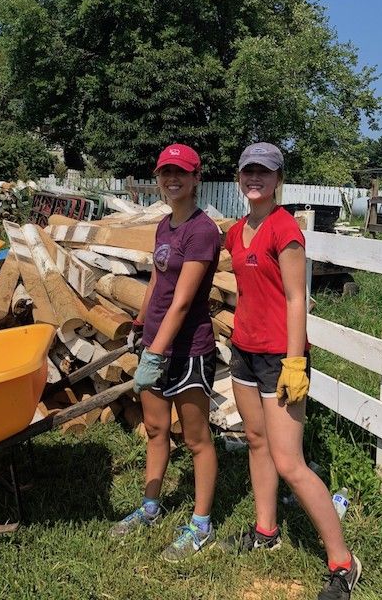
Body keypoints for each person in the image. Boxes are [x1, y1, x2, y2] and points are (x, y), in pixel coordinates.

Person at [221, 142, 361, 600]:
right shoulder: (236, 231)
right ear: (239, 177)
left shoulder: (285, 230)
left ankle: (343, 562)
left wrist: (296, 361)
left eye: (264, 171)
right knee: (256, 442)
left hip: (281, 357)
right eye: (248, 171)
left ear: (278, 179)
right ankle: (266, 530)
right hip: (244, 352)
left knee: (289, 462)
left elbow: (298, 298)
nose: (254, 178)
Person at [110, 143, 221, 562]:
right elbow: (158, 284)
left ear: (196, 178)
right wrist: (141, 324)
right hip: (156, 341)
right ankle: (150, 507)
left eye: (181, 172)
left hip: (188, 349)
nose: (172, 179)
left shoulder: (202, 231)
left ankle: (201, 525)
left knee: (195, 438)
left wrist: (155, 355)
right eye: (165, 172)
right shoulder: (164, 226)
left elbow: (182, 301)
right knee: (156, 430)